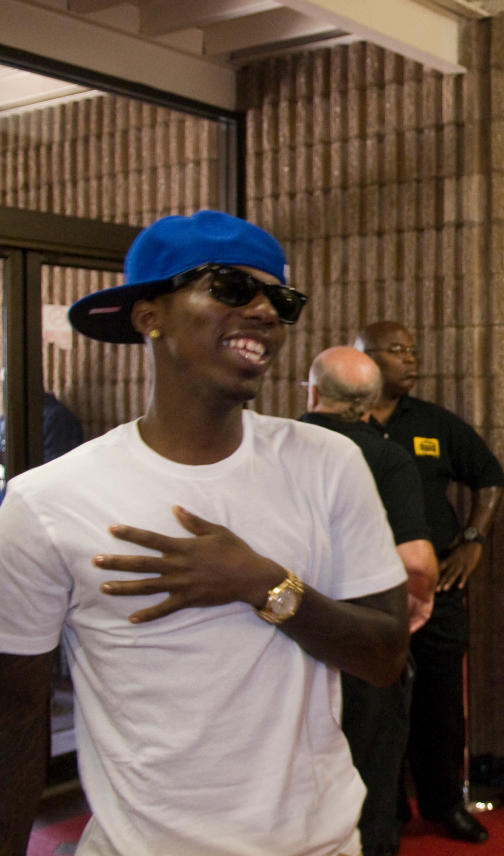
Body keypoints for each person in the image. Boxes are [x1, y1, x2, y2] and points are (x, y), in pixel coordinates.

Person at [0, 210, 410, 855]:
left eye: (279, 297)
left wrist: (265, 585)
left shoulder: (327, 464)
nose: (265, 312)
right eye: (230, 288)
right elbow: (16, 717)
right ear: (149, 316)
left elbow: (385, 659)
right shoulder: (48, 501)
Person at [355, 320, 504, 844]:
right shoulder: (339, 426)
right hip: (364, 592)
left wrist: (472, 538)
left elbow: (490, 477)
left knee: (440, 702)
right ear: (365, 357)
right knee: (373, 703)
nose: (411, 359)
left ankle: (446, 805)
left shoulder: (435, 423)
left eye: (413, 349)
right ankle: (387, 810)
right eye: (397, 350)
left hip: (435, 588)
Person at [300, 345, 440, 856]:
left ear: (312, 393)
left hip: (284, 632)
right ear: (372, 402)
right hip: (362, 637)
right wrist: (415, 604)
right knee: (371, 775)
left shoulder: (279, 448)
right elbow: (416, 562)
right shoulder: (384, 456)